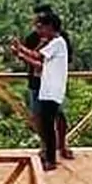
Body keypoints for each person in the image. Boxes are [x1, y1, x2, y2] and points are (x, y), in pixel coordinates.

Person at [11, 11, 70, 171]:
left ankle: (50, 160)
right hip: (47, 89)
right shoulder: (55, 43)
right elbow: (39, 62)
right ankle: (48, 157)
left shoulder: (58, 43)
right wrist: (21, 54)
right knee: (46, 125)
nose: (38, 31)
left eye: (41, 27)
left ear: (50, 27)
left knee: (49, 127)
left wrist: (20, 49)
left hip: (52, 90)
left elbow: (37, 55)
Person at [22, 3, 74, 160]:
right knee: (39, 117)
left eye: (42, 22)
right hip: (37, 83)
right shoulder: (32, 38)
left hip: (53, 85)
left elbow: (47, 59)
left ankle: (61, 145)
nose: (38, 25)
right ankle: (46, 147)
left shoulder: (59, 39)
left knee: (59, 115)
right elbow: (33, 60)